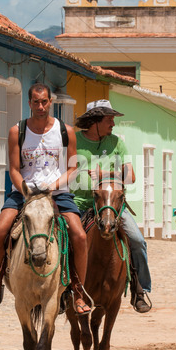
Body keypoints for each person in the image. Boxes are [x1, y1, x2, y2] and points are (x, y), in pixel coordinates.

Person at [0, 83, 91, 315]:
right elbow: (13, 169)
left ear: (50, 102)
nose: (40, 106)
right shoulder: (18, 131)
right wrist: (25, 191)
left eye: (44, 102)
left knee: (80, 236)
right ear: (29, 103)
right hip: (25, 193)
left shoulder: (66, 131)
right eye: (35, 102)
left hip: (57, 193)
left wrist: (53, 186)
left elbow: (72, 169)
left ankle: (79, 291)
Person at [71, 99, 152, 313]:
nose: (113, 124)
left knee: (137, 240)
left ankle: (139, 289)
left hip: (112, 206)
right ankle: (64, 291)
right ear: (95, 121)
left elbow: (131, 176)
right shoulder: (74, 141)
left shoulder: (117, 143)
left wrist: (104, 174)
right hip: (79, 204)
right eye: (109, 120)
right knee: (63, 242)